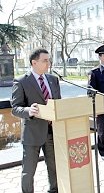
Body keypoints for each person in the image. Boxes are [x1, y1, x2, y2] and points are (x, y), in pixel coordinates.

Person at [11, 48, 60, 193]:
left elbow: (58, 103)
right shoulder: (21, 81)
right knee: (28, 171)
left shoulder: (53, 79)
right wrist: (28, 111)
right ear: (34, 62)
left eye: (49, 60)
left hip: (52, 132)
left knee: (54, 167)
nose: (48, 63)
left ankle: (54, 190)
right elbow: (15, 108)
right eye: (45, 60)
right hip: (32, 134)